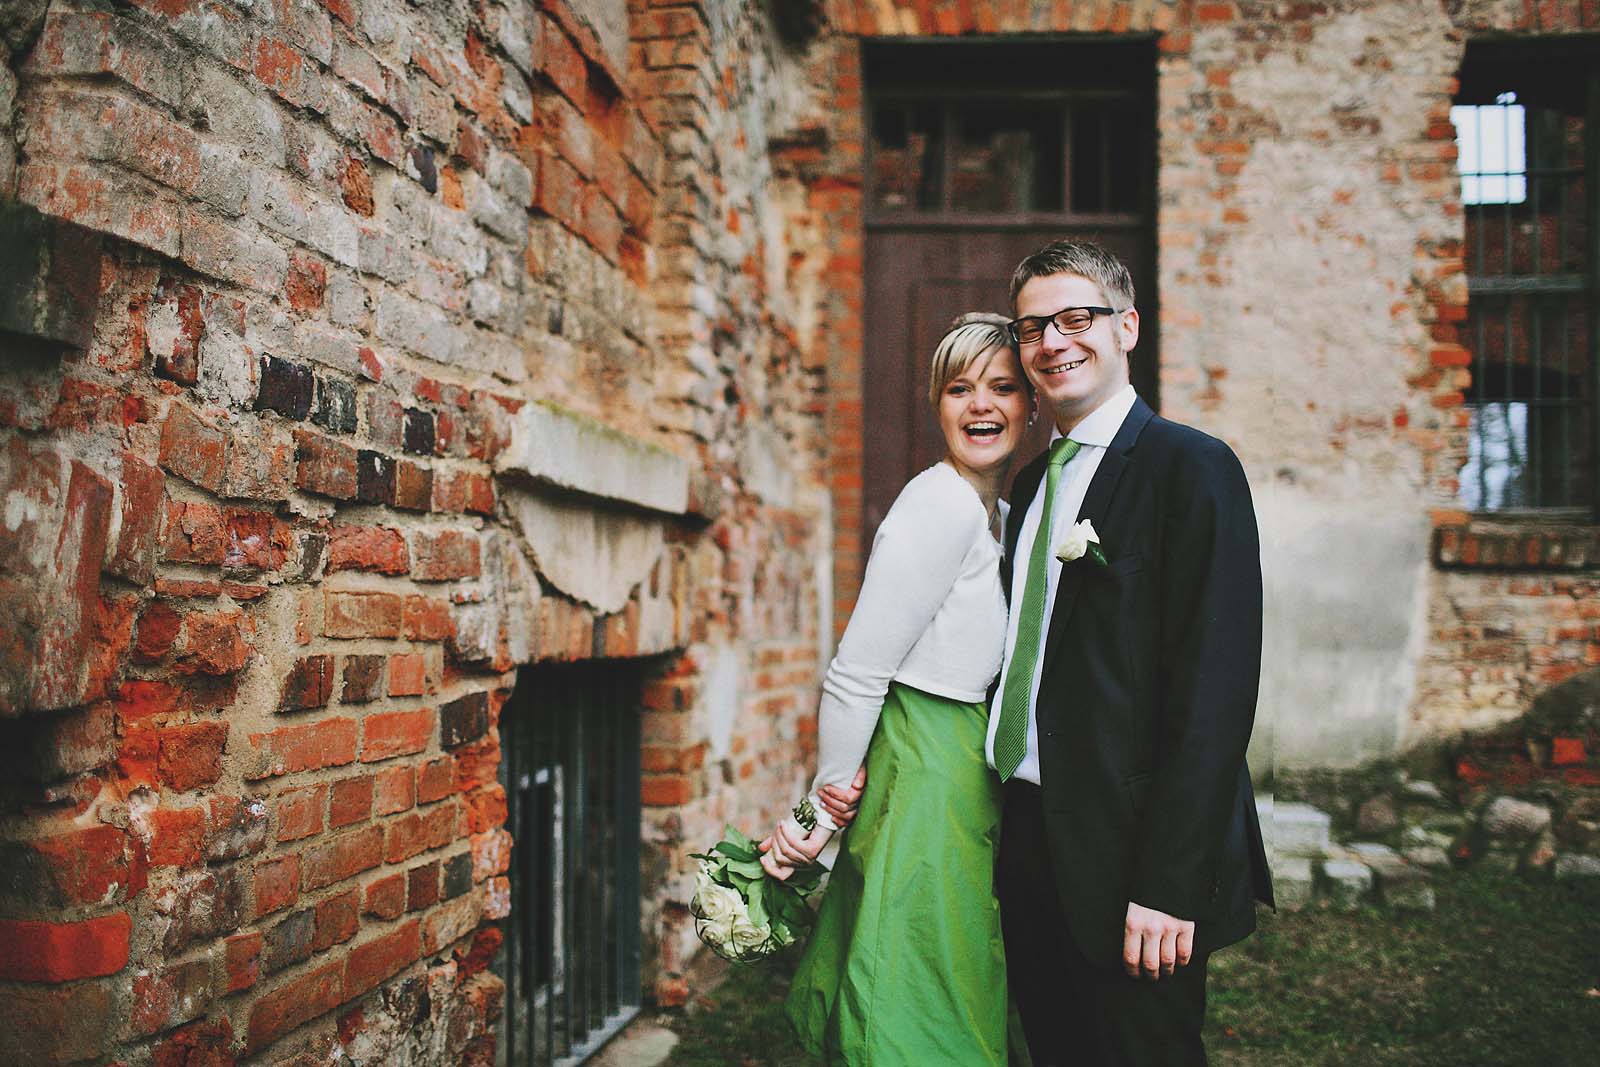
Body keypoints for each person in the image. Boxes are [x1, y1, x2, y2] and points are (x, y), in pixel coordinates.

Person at [990, 239, 1273, 1066]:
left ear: (1127, 328)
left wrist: (1168, 883)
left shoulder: (1192, 467)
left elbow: (1215, 691)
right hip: (1033, 828)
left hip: (1134, 848)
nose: (1053, 341)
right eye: (1032, 327)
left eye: (1076, 318)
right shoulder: (1034, 483)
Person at [759, 313, 1031, 1066]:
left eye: (1003, 387)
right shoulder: (938, 503)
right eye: (960, 387)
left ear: (1031, 403)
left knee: (944, 962)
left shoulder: (999, 514)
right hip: (922, 765)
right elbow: (857, 668)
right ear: (936, 404)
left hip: (961, 766)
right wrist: (820, 810)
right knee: (915, 984)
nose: (981, 405)